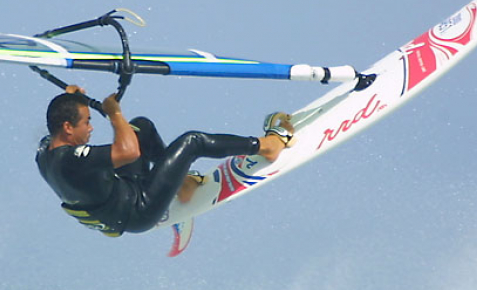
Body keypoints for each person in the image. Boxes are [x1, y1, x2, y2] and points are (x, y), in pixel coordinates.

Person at [36, 86, 293, 237]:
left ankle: (182, 185)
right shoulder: (73, 161)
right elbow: (128, 153)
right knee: (193, 141)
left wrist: (72, 98)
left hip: (120, 192)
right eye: (87, 121)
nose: (91, 128)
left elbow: (61, 123)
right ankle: (266, 146)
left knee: (141, 127)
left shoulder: (45, 152)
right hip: (139, 210)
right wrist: (114, 113)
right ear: (68, 128)